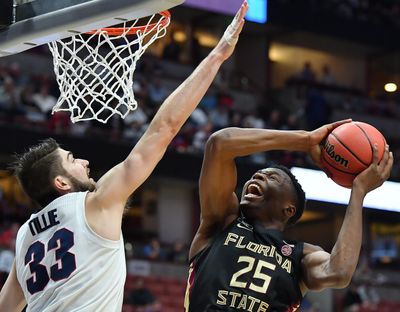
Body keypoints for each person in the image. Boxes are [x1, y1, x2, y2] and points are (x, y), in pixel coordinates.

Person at [0, 2, 249, 311]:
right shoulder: (96, 202)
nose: (84, 162)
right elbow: (164, 128)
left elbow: (6, 305)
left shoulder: (25, 235)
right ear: (61, 182)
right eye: (72, 160)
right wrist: (218, 55)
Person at [184, 120, 393, 311]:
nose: (257, 176)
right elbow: (219, 144)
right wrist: (305, 140)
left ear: (288, 209)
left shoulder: (301, 256)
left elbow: (338, 273)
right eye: (257, 175)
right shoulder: (222, 221)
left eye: (271, 177)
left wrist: (358, 192)